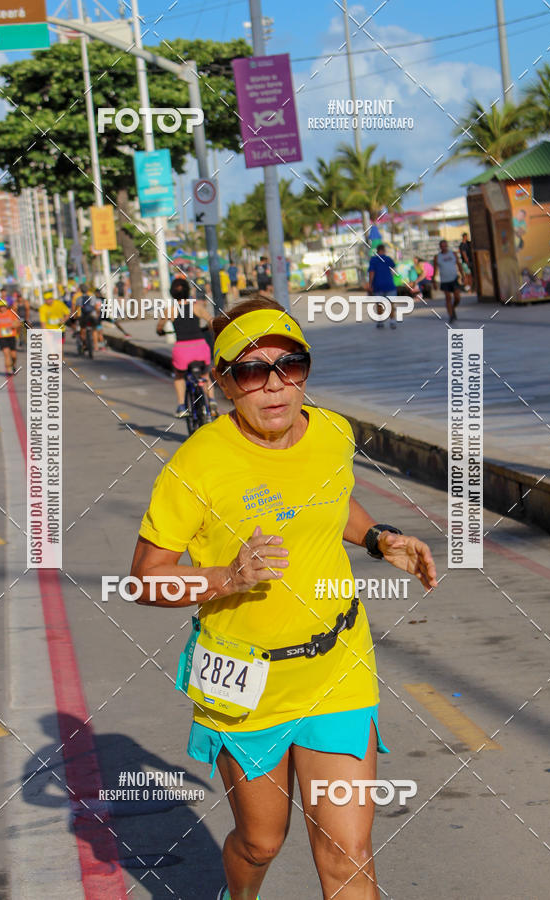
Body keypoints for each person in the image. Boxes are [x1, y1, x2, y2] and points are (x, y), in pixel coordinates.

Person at [131, 295, 437, 900]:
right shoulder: (197, 466)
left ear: (304, 372)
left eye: (289, 365)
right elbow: (145, 577)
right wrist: (228, 578)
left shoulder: (331, 433)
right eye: (250, 370)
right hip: (243, 677)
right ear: (222, 384)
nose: (273, 386)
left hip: (335, 666)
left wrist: (377, 538)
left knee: (346, 850)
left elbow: (330, 502)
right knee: (261, 841)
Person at [156, 276, 216, 417]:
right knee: (205, 375)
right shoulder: (196, 307)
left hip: (182, 350)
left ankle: (181, 406)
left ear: (172, 293)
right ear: (188, 291)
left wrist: (161, 332)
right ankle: (212, 401)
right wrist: (208, 329)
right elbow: (211, 321)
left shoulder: (170, 311)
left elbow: (159, 327)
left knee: (179, 376)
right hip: (201, 348)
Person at [433, 240, 465, 323]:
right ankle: (451, 315)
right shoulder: (437, 257)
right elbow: (435, 270)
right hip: (444, 280)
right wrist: (434, 282)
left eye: (445, 246)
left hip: (454, 279)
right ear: (440, 247)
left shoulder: (453, 254)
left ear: (447, 246)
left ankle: (453, 308)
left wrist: (462, 275)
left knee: (457, 297)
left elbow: (459, 265)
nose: (443, 248)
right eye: (442, 246)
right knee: (448, 298)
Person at [368, 243, 397, 328]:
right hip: (389, 284)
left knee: (379, 304)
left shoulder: (373, 260)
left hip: (378, 285)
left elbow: (371, 272)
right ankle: (392, 322)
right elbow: (393, 270)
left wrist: (370, 284)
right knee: (391, 304)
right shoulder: (388, 259)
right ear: (384, 251)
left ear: (377, 251)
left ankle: (380, 322)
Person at [0, 298, 20, 375]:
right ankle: (9, 370)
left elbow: (18, 323)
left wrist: (14, 325)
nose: (2, 308)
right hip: (2, 337)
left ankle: (13, 365)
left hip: (11, 336)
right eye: (0, 306)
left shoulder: (11, 313)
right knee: (6, 353)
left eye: (3, 306)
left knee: (13, 355)